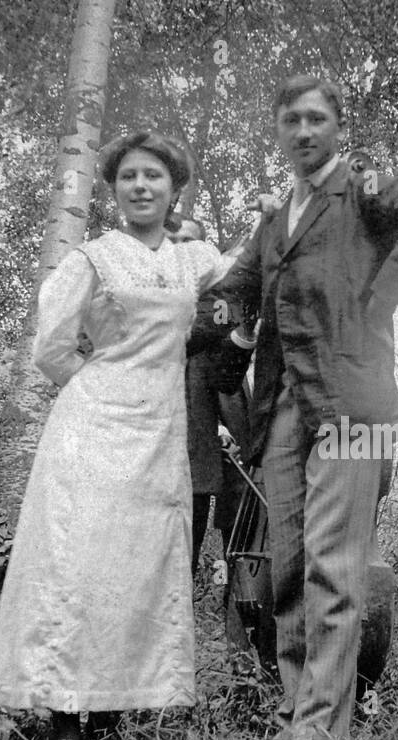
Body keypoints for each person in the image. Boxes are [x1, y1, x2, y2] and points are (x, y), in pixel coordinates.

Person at [211, 75, 398, 740]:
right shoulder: (272, 220)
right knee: (287, 565)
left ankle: (322, 733)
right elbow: (232, 294)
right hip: (282, 411)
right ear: (278, 129)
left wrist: (380, 298)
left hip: (352, 404)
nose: (303, 130)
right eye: (290, 118)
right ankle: (300, 715)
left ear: (339, 126)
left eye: (316, 117)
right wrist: (187, 300)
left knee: (334, 564)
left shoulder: (364, 190)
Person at [0, 132, 235, 740]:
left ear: (175, 188)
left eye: (154, 176)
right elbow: (51, 350)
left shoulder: (192, 258)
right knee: (82, 565)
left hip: (160, 433)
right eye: (129, 177)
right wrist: (100, 393)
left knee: (137, 567)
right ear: (113, 189)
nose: (141, 186)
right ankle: (66, 716)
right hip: (92, 431)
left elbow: (249, 278)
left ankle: (113, 712)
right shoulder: (90, 259)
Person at [166, 213, 251, 580]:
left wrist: (230, 433)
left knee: (190, 556)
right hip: (146, 457)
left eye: (191, 243)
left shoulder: (218, 304)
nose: (182, 250)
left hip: (198, 459)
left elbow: (225, 377)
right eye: (176, 242)